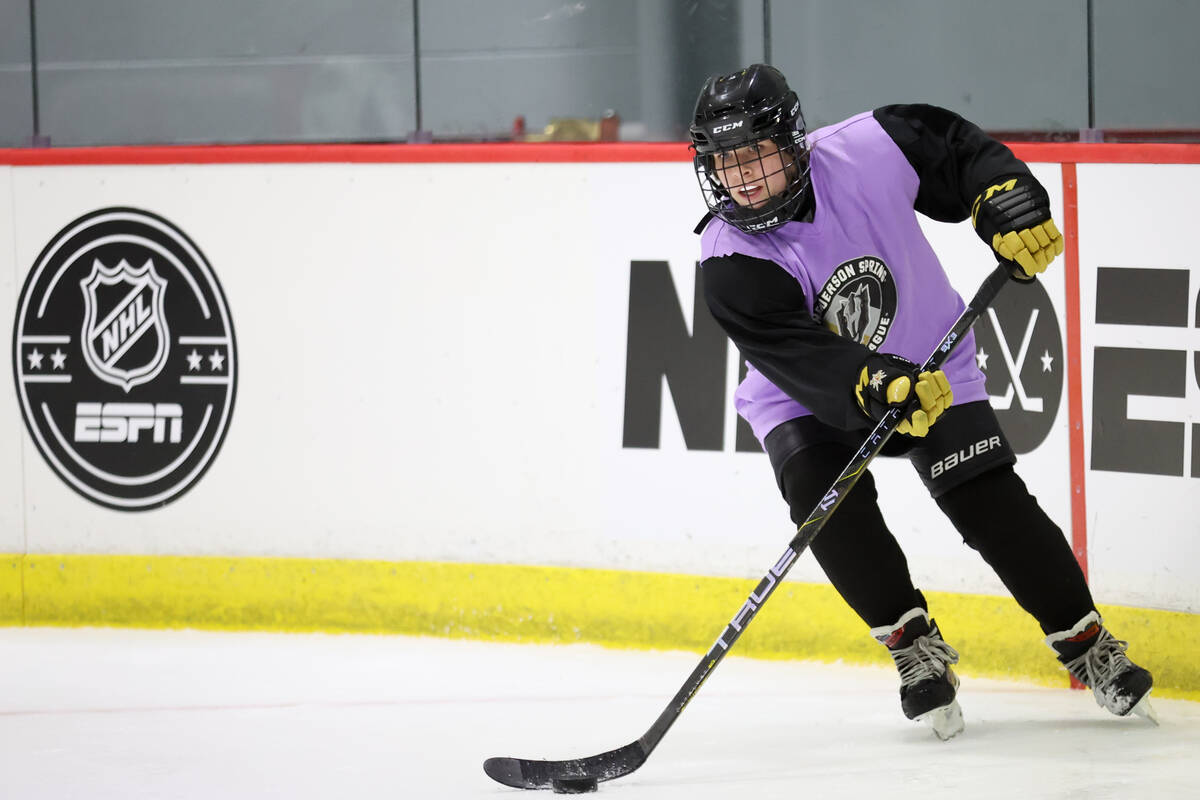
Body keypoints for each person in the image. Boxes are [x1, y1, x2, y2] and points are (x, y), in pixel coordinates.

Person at [688, 63, 1154, 739]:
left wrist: (1005, 195)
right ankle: (913, 648)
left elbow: (957, 151)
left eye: (756, 154)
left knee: (988, 500)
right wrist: (872, 383)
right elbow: (801, 358)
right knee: (828, 506)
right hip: (807, 397)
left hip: (931, 353)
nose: (744, 176)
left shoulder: (868, 148)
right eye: (726, 162)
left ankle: (1089, 647)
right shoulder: (728, 259)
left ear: (793, 143)